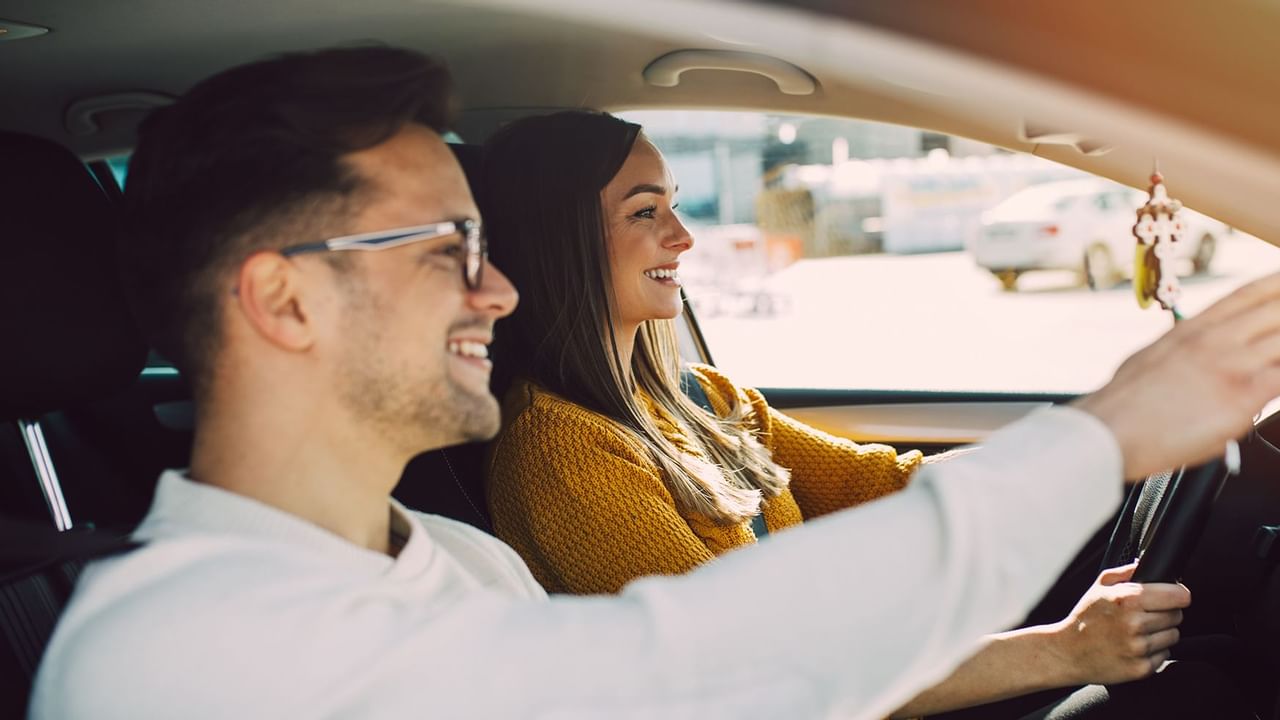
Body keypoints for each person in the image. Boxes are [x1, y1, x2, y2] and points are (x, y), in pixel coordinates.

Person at [27, 46, 1280, 720]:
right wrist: (1106, 435)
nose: (498, 291)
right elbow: (701, 668)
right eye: (445, 254)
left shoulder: (452, 568)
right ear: (282, 298)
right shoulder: (177, 653)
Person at [479, 110, 1257, 718]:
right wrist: (1064, 652)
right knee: (1201, 696)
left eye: (675, 207)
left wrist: (1106, 447)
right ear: (562, 239)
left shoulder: (700, 398)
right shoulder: (561, 450)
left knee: (1215, 665)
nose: (683, 237)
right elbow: (768, 679)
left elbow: (890, 486)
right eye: (645, 213)